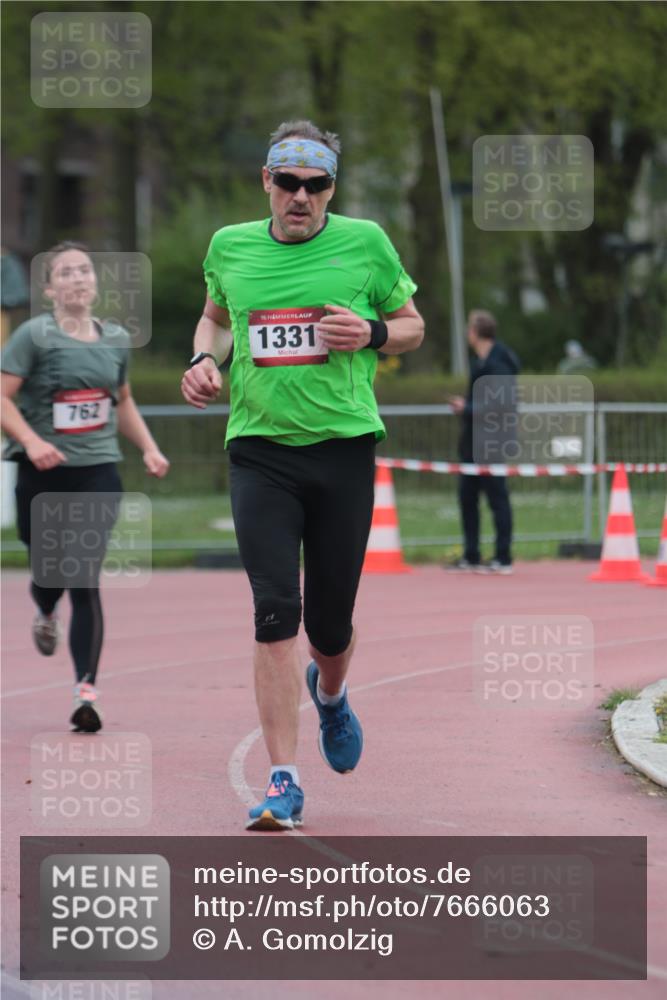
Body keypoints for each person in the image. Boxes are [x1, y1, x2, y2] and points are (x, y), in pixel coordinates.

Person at [181, 120, 424, 831]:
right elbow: (215, 319)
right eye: (287, 183)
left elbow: (410, 324)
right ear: (266, 182)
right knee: (272, 613)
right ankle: (282, 781)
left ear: (330, 189)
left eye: (315, 185)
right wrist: (205, 360)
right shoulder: (230, 245)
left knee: (328, 624)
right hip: (259, 451)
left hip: (342, 449)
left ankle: (331, 694)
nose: (300, 196)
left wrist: (375, 334)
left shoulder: (366, 242)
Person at [1, 241, 169, 732]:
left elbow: (122, 401)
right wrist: (31, 442)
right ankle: (45, 608)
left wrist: (150, 448)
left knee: (84, 574)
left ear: (95, 283)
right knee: (48, 570)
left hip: (99, 470)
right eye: (67, 273)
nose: (78, 279)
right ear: (50, 288)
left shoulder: (115, 337)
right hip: (43, 473)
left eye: (85, 271)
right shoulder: (33, 336)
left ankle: (86, 691)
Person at [448, 309, 520, 575]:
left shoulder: (499, 362)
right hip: (472, 442)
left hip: (492, 442)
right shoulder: (479, 361)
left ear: (476, 332)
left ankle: (503, 557)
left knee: (497, 498)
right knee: (467, 497)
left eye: (469, 328)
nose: (467, 332)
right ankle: (472, 554)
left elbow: (501, 403)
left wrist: (467, 407)